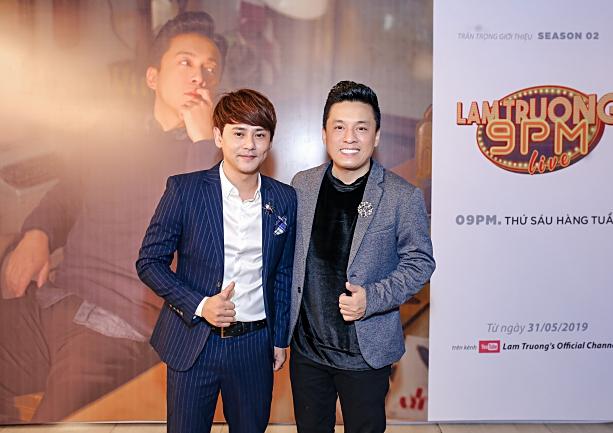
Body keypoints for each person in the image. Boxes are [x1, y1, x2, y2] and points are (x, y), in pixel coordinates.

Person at [0, 11, 226, 422]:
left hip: (117, 328)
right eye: (186, 62)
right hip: (53, 301)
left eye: (210, 69)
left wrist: (202, 140)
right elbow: (69, 191)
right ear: (153, 77)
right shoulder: (116, 138)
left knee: (58, 424)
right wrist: (37, 233)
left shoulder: (222, 161)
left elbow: (207, 238)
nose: (200, 76)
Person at [136, 88, 296, 433]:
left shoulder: (285, 198)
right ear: (218, 136)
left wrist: (280, 338)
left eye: (259, 135)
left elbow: (283, 273)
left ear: (269, 142)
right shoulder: (185, 190)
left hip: (255, 344)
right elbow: (149, 262)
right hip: (195, 340)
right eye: (238, 133)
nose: (249, 145)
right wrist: (200, 305)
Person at [288, 80, 435, 433]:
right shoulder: (302, 185)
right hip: (307, 350)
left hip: (365, 353)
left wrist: (372, 298)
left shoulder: (402, 196)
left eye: (361, 128)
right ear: (324, 134)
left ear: (377, 136)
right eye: (339, 127)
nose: (349, 138)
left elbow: (421, 262)